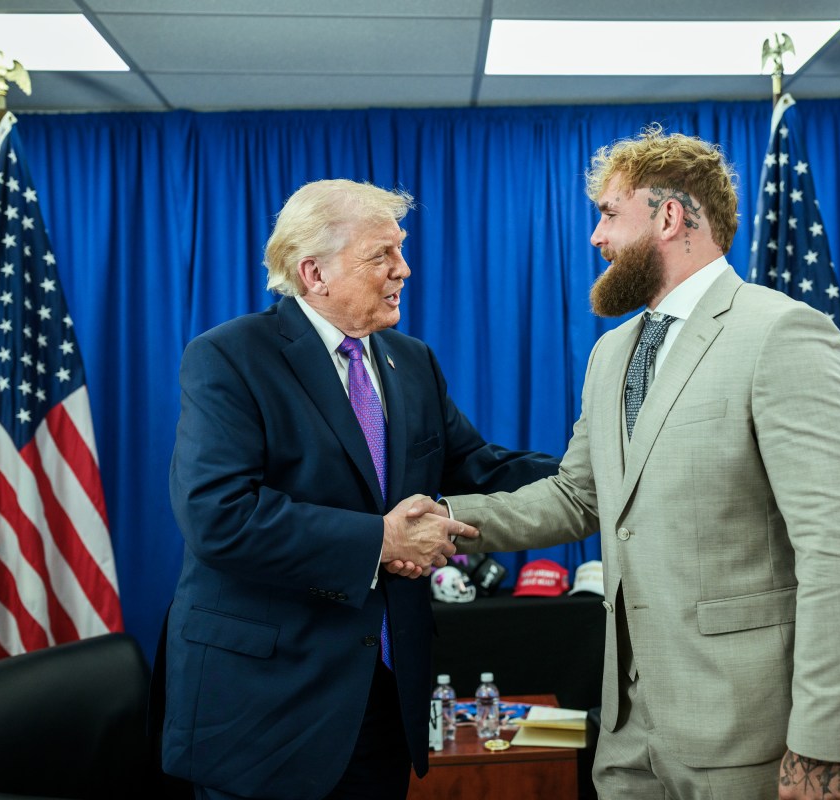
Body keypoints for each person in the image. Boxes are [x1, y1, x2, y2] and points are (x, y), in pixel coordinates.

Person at [422, 125, 840, 799]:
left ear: (670, 216)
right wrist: (443, 521)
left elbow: (836, 549)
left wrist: (821, 744)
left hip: (748, 732)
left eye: (609, 214)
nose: (595, 238)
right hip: (629, 732)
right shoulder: (612, 354)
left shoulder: (781, 332)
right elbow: (579, 497)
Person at [160, 179, 558, 800]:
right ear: (313, 272)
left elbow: (481, 468)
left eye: (399, 249)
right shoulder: (229, 357)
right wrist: (380, 538)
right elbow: (219, 516)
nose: (404, 268)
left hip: (382, 700)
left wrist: (604, 474)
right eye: (382, 255)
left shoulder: (411, 360)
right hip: (265, 713)